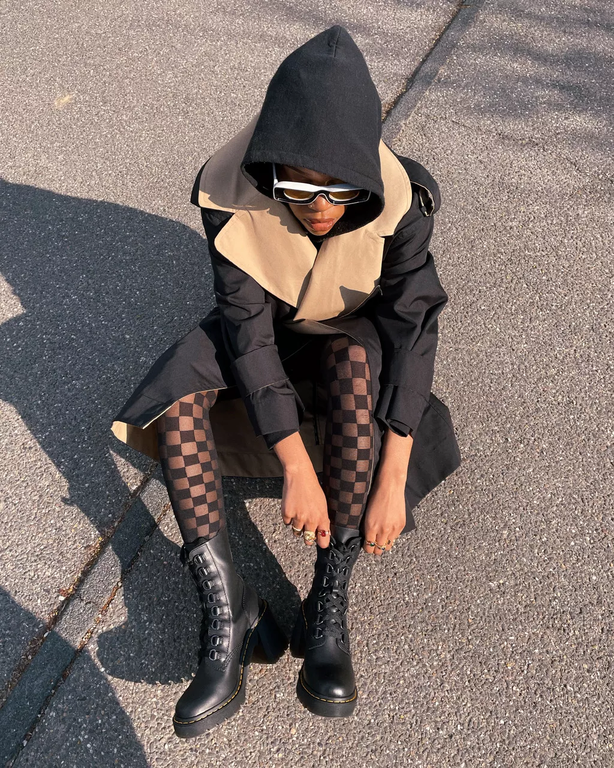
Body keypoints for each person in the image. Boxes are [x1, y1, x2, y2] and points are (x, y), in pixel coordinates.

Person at [111, 25, 461, 735]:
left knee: (354, 364)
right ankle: (230, 610)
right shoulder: (227, 192)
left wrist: (393, 475)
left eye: (340, 190)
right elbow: (246, 331)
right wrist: (296, 467)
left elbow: (412, 329)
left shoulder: (403, 203)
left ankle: (327, 602)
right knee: (177, 393)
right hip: (265, 325)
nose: (320, 207)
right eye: (298, 187)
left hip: (351, 335)